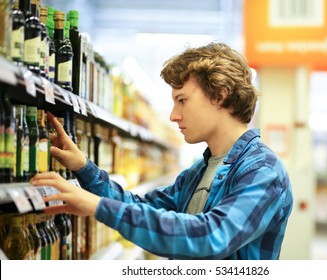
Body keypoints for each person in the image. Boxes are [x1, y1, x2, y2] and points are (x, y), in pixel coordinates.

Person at [30, 42, 293, 260]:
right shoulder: (200, 171)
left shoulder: (262, 171)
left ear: (219, 96)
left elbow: (211, 236)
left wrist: (97, 206)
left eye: (182, 100)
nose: (173, 116)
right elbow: (142, 207)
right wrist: (83, 168)